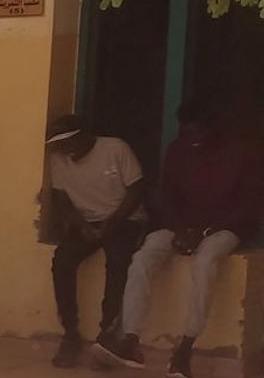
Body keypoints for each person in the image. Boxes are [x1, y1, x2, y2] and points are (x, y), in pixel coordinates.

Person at [95, 97, 264, 378]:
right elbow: (166, 197)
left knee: (206, 261)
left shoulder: (240, 152)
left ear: (213, 127)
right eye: (187, 132)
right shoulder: (177, 150)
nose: (193, 138)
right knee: (143, 258)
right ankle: (130, 339)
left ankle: (185, 346)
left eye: (198, 132)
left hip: (225, 228)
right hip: (181, 226)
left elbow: (249, 204)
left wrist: (205, 231)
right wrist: (181, 228)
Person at [42, 114, 147, 368]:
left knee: (119, 261)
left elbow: (137, 189)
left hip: (125, 219)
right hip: (86, 222)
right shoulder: (59, 159)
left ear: (81, 137)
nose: (63, 151)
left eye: (66, 143)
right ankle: (70, 334)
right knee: (63, 260)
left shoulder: (115, 148)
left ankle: (107, 336)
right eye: (58, 146)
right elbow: (62, 199)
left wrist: (114, 222)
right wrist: (82, 226)